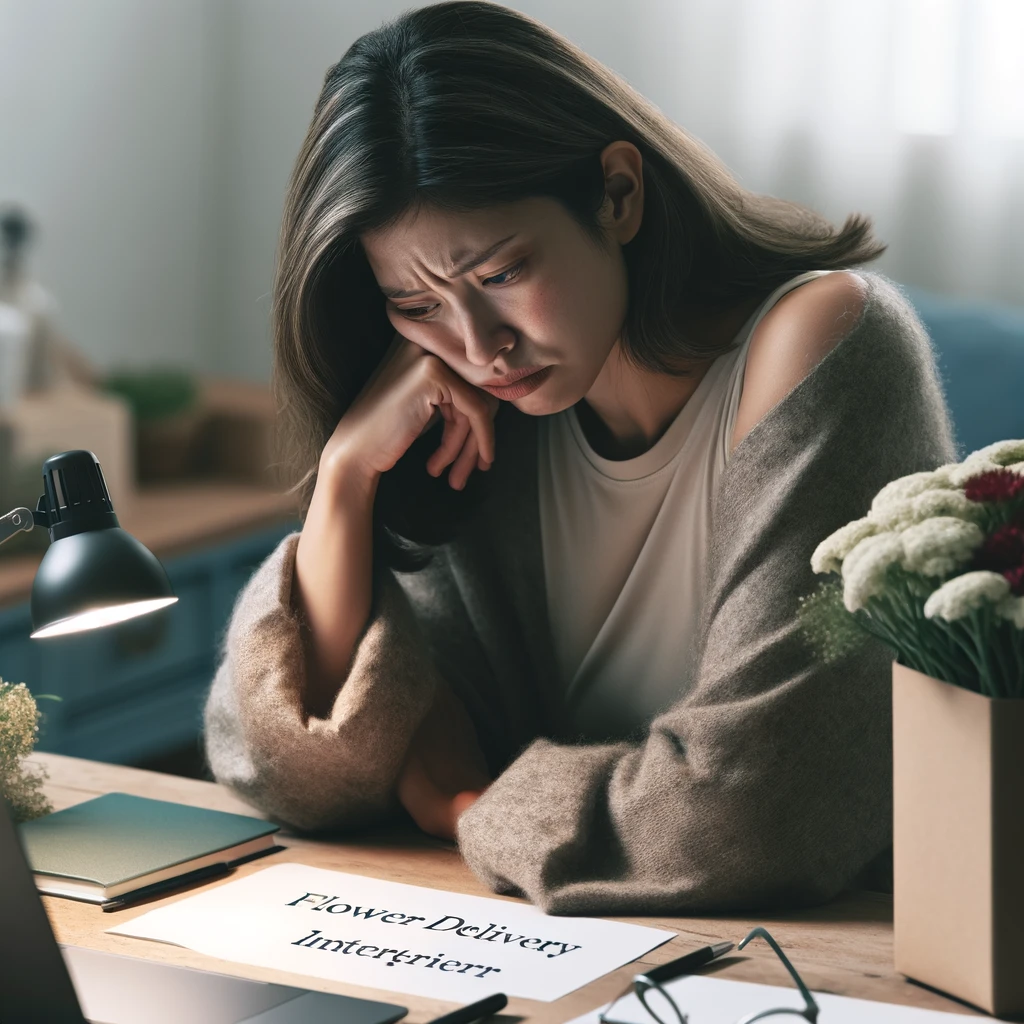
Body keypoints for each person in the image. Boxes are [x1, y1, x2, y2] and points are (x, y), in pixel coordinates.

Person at [204, 0, 954, 914]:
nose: (479, 345)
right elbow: (299, 774)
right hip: (548, 952)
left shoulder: (824, 341)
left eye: (501, 275)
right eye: (417, 303)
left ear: (618, 194)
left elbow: (756, 814)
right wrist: (345, 480)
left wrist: (472, 807)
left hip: (828, 959)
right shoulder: (475, 418)